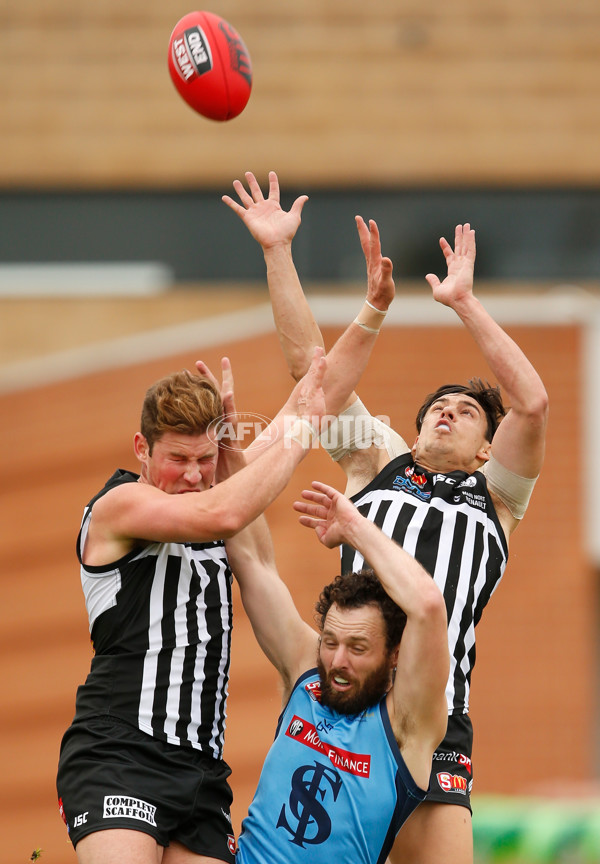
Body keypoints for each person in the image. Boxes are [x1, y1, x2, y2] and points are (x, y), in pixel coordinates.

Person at [223, 171, 549, 864]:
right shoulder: (379, 461)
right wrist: (279, 253)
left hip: (430, 719)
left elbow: (533, 404)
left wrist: (462, 303)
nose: (448, 410)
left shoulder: (498, 498)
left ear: (488, 447)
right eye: (439, 404)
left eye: (466, 411)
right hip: (351, 696)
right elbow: (310, 372)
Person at [55, 274, 393, 864]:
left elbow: (316, 397)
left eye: (205, 458)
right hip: (119, 751)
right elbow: (230, 506)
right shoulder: (120, 506)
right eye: (176, 459)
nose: (191, 474)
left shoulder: (215, 485)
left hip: (201, 772)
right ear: (142, 449)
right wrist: (291, 435)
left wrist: (371, 311)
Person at [223, 479, 449, 864]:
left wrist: (355, 528)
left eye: (358, 648)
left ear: (394, 655)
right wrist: (223, 455)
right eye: (330, 642)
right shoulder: (305, 673)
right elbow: (252, 560)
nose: (338, 661)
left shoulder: (405, 725)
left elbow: (427, 607)